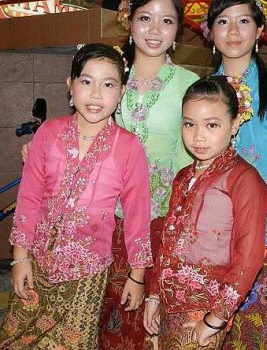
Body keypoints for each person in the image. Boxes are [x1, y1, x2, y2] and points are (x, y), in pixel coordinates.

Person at [0, 43, 153, 349]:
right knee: (17, 341)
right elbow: (29, 198)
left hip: (87, 275)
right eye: (86, 81)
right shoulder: (49, 133)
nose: (96, 94)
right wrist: (19, 258)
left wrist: (137, 277)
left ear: (121, 91)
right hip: (38, 263)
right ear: (70, 85)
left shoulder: (129, 146)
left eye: (108, 84)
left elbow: (138, 216)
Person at [99, 0, 199, 349]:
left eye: (167, 21)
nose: (155, 31)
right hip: (107, 217)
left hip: (163, 218)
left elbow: (194, 159)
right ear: (129, 20)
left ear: (178, 31)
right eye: (145, 18)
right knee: (106, 315)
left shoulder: (189, 84)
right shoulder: (109, 76)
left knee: (152, 320)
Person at [202, 0, 267, 349]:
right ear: (210, 31)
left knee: (255, 326)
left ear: (259, 31)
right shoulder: (203, 88)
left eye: (244, 21)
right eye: (223, 21)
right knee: (212, 327)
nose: (232, 30)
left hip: (264, 227)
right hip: (214, 231)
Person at [143, 75, 267, 349]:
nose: (198, 136)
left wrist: (216, 319)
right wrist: (153, 294)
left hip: (206, 307)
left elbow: (249, 256)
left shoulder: (242, 178)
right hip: (170, 302)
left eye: (211, 125)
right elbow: (167, 242)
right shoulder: (183, 176)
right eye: (189, 124)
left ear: (234, 124)